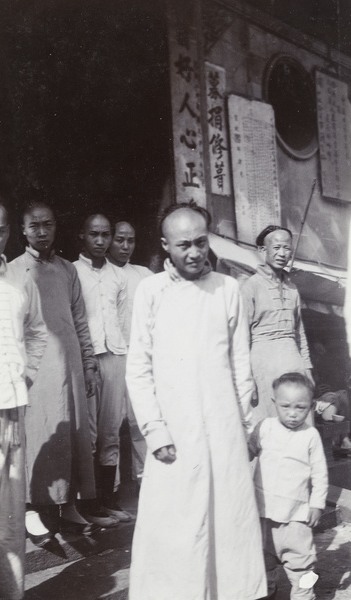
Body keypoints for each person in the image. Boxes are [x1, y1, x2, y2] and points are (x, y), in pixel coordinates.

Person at [126, 202, 267, 600]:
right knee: (177, 526)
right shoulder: (150, 291)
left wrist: (243, 426)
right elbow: (138, 367)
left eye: (201, 243)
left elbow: (241, 365)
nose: (194, 253)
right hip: (174, 431)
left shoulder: (228, 289)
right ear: (165, 246)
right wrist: (155, 430)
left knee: (228, 521)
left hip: (223, 428)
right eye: (184, 244)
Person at [10, 201, 107, 543]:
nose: (41, 231)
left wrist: (90, 363)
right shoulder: (13, 270)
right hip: (36, 372)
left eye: (47, 224)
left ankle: (68, 508)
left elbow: (80, 320)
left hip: (71, 367)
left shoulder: (68, 270)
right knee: (39, 433)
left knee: (73, 434)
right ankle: (32, 510)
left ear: (55, 227)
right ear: (22, 230)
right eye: (34, 225)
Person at [0, 202, 47, 599]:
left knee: (10, 518)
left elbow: (37, 332)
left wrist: (25, 376)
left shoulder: (19, 280)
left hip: (11, 410)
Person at [248, 372, 328, 600]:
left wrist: (317, 504)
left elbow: (320, 473)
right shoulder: (264, 427)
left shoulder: (310, 435)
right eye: (285, 406)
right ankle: (266, 593)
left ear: (311, 406)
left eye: (300, 408)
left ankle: (304, 594)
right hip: (263, 514)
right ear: (274, 402)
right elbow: (246, 452)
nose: (292, 414)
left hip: (296, 517)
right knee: (262, 561)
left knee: (302, 564)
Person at [74, 214, 131, 522]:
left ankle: (109, 500)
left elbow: (121, 321)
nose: (100, 241)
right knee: (90, 435)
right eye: (93, 234)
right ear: (82, 235)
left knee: (111, 431)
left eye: (105, 235)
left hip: (116, 356)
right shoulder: (73, 272)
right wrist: (85, 362)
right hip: (89, 360)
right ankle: (89, 505)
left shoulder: (117, 277)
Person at [241, 225, 313, 425]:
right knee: (268, 425)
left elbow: (300, 333)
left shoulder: (293, 288)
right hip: (263, 364)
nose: (282, 253)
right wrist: (248, 379)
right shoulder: (250, 286)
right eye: (277, 247)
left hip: (293, 360)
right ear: (263, 250)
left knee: (301, 422)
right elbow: (241, 337)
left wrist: (307, 369)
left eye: (287, 248)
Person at [108, 220, 152, 482]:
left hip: (140, 358)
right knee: (109, 428)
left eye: (131, 240)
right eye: (120, 240)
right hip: (111, 358)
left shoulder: (145, 275)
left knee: (141, 423)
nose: (125, 246)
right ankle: (108, 494)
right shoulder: (99, 273)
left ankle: (147, 482)